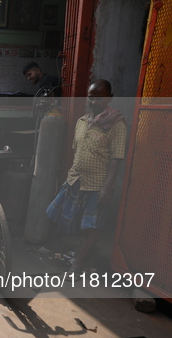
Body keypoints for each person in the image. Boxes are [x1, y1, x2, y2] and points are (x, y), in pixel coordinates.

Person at [46, 79, 127, 276]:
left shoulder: (117, 125)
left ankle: (77, 265)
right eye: (91, 97)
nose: (93, 101)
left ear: (109, 98)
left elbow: (116, 159)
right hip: (75, 180)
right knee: (59, 215)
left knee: (91, 227)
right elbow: (77, 151)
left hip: (97, 185)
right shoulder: (81, 122)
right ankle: (70, 254)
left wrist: (108, 187)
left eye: (99, 98)